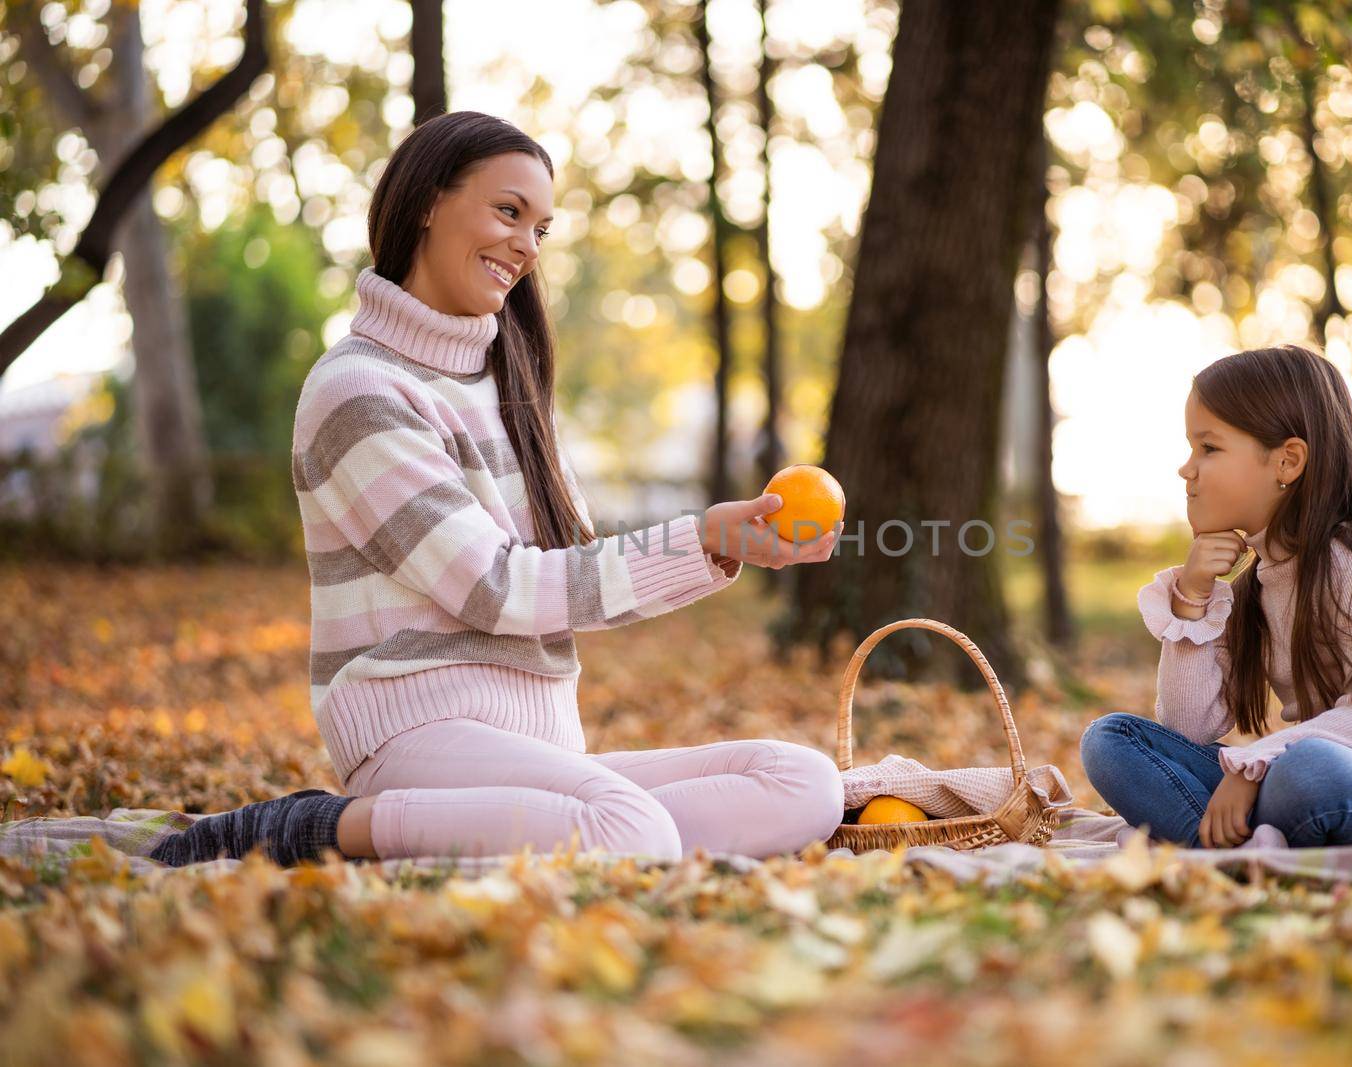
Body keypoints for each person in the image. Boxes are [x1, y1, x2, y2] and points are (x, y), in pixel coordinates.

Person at [153, 112, 843, 869]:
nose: (526, 244)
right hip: (416, 738)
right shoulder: (359, 390)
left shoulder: (516, 388)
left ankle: (567, 822)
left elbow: (572, 572)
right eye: (508, 211)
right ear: (426, 203)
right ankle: (310, 824)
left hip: (541, 744)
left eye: (541, 228)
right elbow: (493, 587)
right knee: (632, 831)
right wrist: (701, 536)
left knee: (804, 782)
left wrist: (722, 547)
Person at [1079, 344, 1352, 850]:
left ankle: (1213, 840)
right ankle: (1237, 845)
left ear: (1287, 462)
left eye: (1208, 448)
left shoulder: (1350, 560)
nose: (1187, 470)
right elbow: (1190, 726)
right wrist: (1192, 598)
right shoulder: (1257, 582)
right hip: (1300, 785)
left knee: (1308, 769)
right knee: (1110, 740)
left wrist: (1257, 764)